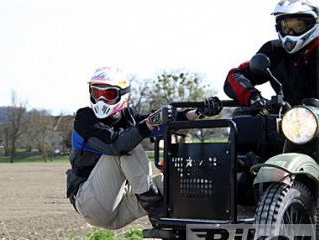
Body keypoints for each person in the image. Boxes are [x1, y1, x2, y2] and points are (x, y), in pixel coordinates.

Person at [66, 66, 223, 230]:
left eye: (109, 95)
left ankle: (203, 217)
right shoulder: (84, 118)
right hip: (91, 204)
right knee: (126, 148)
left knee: (171, 183)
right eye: (96, 94)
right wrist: (148, 124)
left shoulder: (128, 116)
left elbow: (159, 123)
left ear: (122, 95)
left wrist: (198, 112)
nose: (101, 101)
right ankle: (156, 210)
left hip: (120, 207)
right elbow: (116, 145)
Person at [224, 0, 319, 108]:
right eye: (285, 27)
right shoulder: (274, 50)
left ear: (313, 23)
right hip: (287, 121)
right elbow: (234, 76)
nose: (291, 33)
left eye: (297, 26)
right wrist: (253, 98)